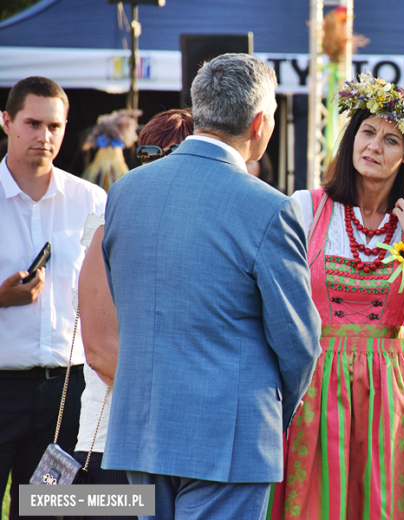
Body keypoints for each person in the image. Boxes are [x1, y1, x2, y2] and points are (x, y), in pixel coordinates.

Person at [100, 53, 322, 520]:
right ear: (260, 122)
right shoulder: (269, 207)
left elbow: (130, 305)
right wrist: (270, 412)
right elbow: (299, 342)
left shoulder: (125, 192)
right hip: (229, 434)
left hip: (142, 425)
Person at [267, 72, 404, 520]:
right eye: (367, 132)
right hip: (313, 386)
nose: (373, 146)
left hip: (397, 392)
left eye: (391, 140)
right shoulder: (305, 208)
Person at [70, 108, 196, 520]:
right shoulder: (107, 224)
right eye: (148, 153)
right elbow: (102, 351)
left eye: (173, 154)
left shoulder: (204, 235)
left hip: (180, 452)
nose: (158, 165)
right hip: (110, 446)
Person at [0, 76, 106, 519]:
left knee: (49, 512)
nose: (44, 136)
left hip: (66, 392)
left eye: (55, 126)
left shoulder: (91, 200)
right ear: (6, 122)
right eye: (32, 123)